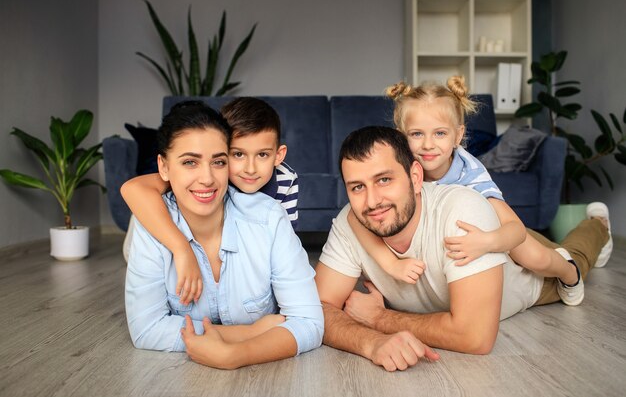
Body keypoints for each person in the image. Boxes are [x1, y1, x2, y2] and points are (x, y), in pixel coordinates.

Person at [315, 126, 611, 370]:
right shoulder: (350, 222)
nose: (372, 201)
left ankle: (598, 225)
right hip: (493, 235)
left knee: (575, 259)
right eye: (357, 187)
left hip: (524, 272)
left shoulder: (462, 210)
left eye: (384, 180)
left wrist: (379, 320)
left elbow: (475, 336)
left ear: (415, 177)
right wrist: (371, 342)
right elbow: (317, 310)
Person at [346, 77, 584, 306]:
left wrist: (487, 242)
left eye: (440, 133)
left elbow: (515, 230)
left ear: (458, 135)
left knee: (534, 257)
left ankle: (570, 272)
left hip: (493, 232)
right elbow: (353, 218)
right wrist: (390, 264)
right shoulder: (400, 168)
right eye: (417, 134)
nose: (428, 144)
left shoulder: (469, 175)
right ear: (400, 134)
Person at [124, 101, 323, 369]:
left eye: (218, 162)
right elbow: (147, 330)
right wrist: (247, 334)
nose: (207, 178)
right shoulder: (150, 223)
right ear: (163, 167)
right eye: (190, 162)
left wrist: (237, 355)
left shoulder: (270, 215)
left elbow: (308, 321)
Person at [122, 97, 298, 305]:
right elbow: (132, 188)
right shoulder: (207, 178)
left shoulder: (286, 179)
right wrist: (181, 247)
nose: (250, 169)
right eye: (238, 154)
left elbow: (285, 246)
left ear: (278, 156)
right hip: (152, 228)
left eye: (262, 155)